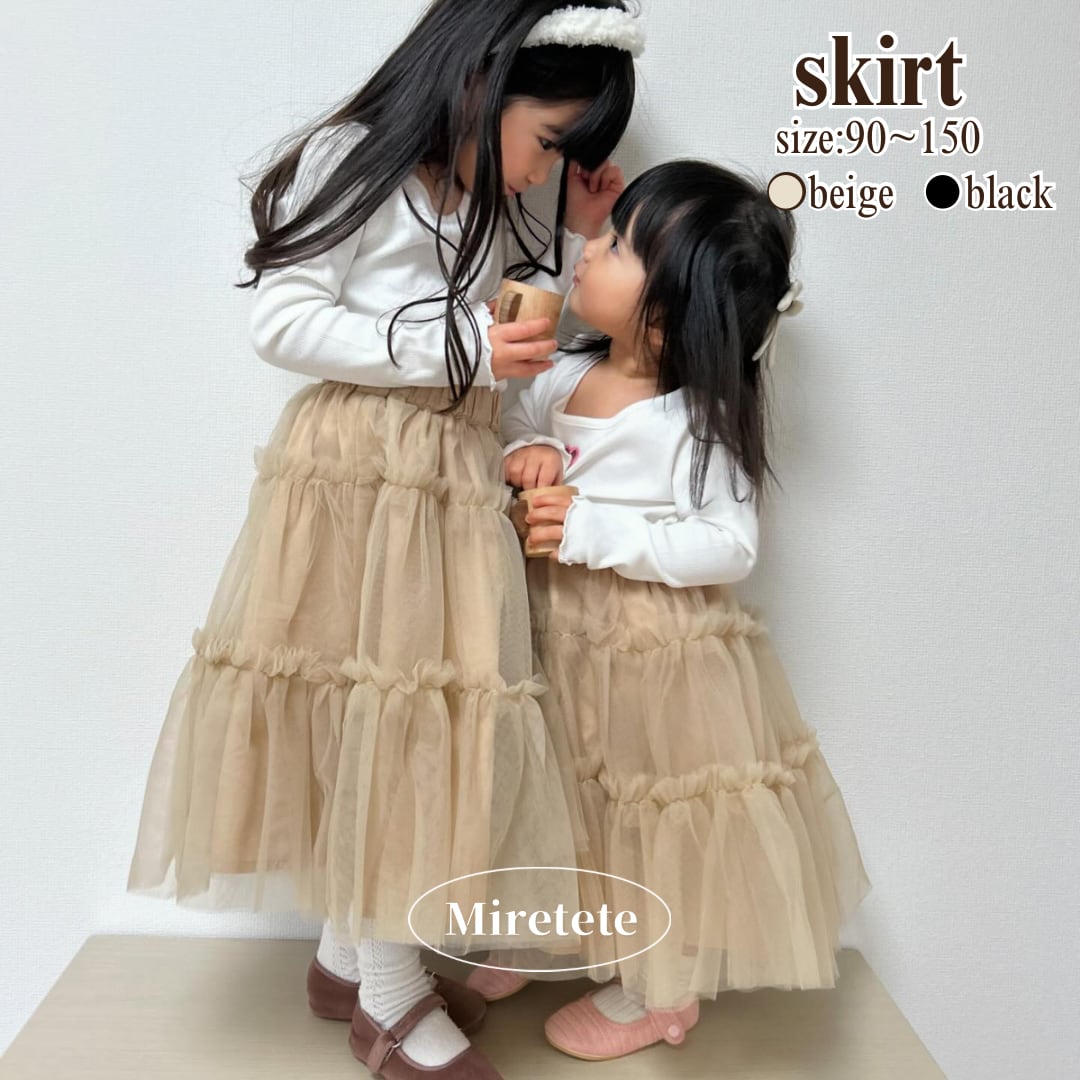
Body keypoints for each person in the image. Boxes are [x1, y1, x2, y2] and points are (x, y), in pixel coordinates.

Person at [126, 3, 641, 1076]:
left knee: (413, 720)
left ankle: (344, 961)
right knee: (388, 719)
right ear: (482, 81)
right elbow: (283, 320)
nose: (544, 170)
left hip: (445, 480)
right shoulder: (354, 160)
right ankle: (389, 995)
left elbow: (513, 349)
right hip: (360, 475)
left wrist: (575, 246)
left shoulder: (487, 201)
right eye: (548, 142)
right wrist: (461, 345)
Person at [489, 159, 872, 1061]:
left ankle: (656, 989)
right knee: (558, 788)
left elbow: (728, 545)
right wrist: (527, 451)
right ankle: (550, 933)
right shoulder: (565, 371)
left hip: (651, 651)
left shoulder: (692, 422)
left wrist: (595, 530)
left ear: (666, 315)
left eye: (619, 246)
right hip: (551, 632)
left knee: (649, 813)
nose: (592, 250)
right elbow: (510, 415)